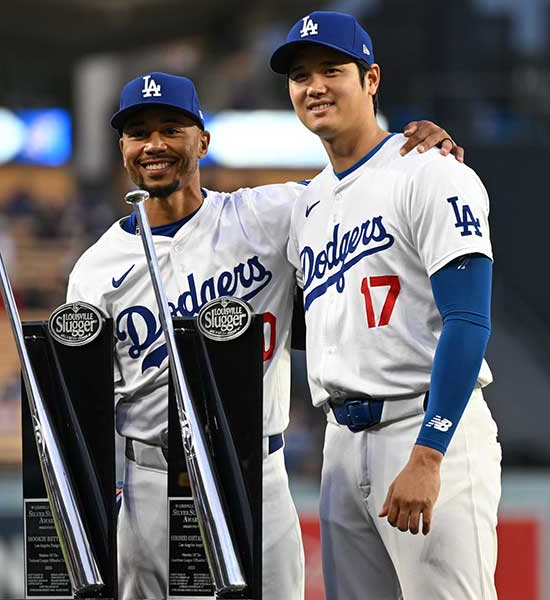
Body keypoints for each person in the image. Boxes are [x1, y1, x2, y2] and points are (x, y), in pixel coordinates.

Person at [66, 71, 460, 600]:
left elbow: (358, 189)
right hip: (150, 484)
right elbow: (82, 406)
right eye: (139, 132)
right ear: (123, 149)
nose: (154, 144)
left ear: (202, 141)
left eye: (171, 128)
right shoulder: (94, 271)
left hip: (256, 472)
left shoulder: (268, 216)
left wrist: (420, 154)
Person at [271, 12, 501, 599]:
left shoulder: (430, 171)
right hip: (340, 446)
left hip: (422, 428)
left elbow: (469, 319)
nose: (314, 86)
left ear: (371, 78)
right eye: (300, 75)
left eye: (332, 69)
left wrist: (430, 451)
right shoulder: (306, 205)